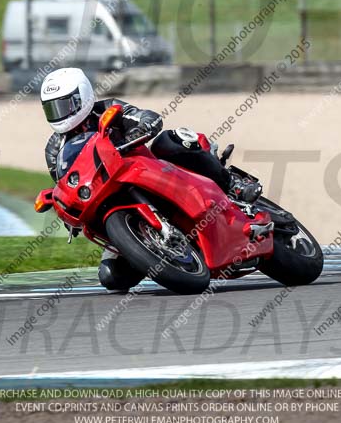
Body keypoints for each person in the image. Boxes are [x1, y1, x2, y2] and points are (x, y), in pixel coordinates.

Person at [41, 68, 262, 291]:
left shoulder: (107, 109)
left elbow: (147, 117)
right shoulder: (53, 148)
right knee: (111, 277)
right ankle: (149, 250)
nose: (60, 113)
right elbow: (64, 181)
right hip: (106, 197)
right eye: (52, 108)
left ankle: (233, 184)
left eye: (65, 105)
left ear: (83, 96)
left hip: (144, 170)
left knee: (168, 142)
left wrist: (142, 127)